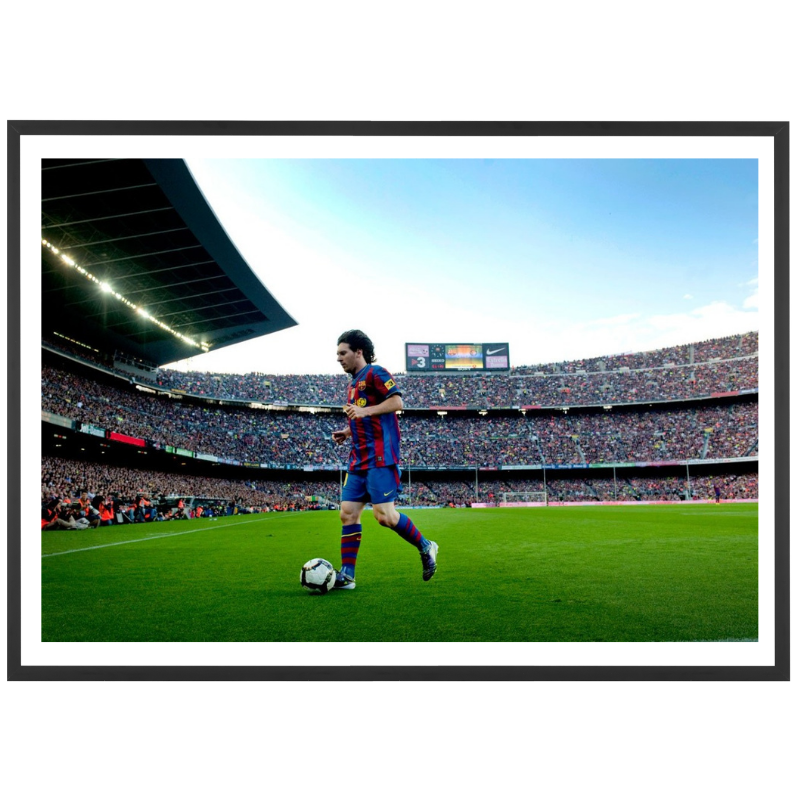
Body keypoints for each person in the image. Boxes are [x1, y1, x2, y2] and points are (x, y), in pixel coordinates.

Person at [330, 329, 438, 590]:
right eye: (337, 354)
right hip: (358, 459)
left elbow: (397, 402)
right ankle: (347, 575)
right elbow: (362, 417)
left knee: (384, 517)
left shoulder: (377, 373)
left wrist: (364, 411)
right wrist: (347, 431)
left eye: (343, 353)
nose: (338, 358)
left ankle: (426, 546)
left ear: (359, 352)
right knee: (347, 513)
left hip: (380, 456)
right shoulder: (352, 385)